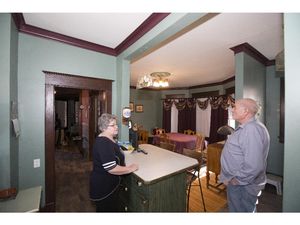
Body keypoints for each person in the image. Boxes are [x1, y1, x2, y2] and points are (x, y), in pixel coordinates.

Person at [220, 98, 270, 212]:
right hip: (243, 184)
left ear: (245, 111)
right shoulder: (249, 127)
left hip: (242, 185)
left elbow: (254, 165)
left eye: (235, 107)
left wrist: (236, 180)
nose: (232, 110)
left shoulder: (251, 129)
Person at [89, 113, 139, 212]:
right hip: (104, 188)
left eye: (116, 124)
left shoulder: (108, 138)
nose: (117, 127)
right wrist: (130, 168)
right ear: (104, 128)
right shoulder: (104, 143)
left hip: (108, 186)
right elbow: (111, 168)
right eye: (113, 125)